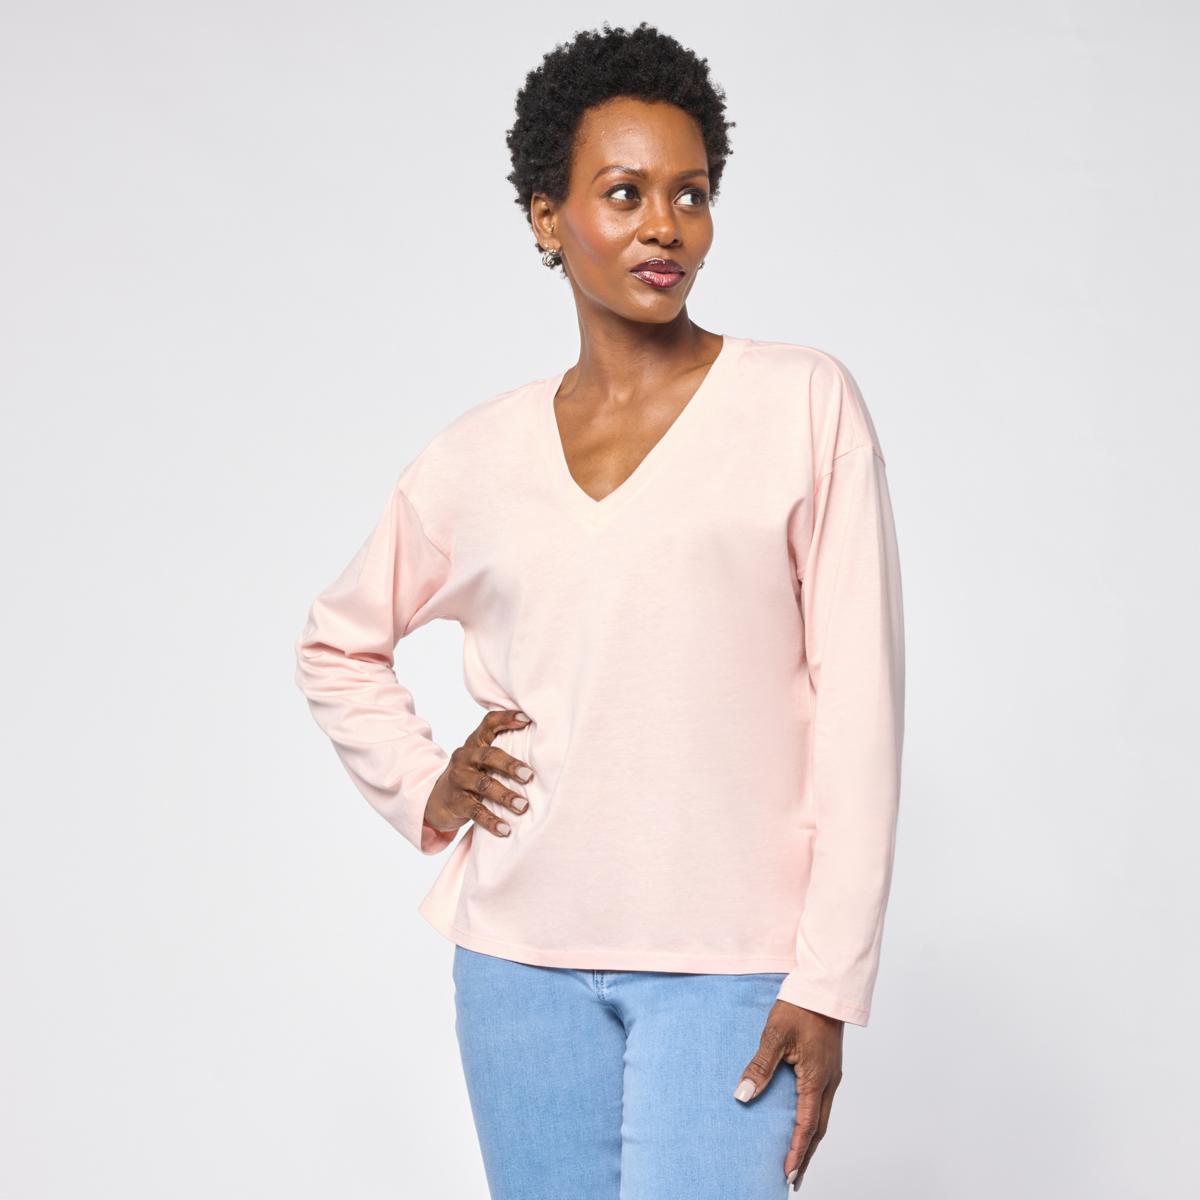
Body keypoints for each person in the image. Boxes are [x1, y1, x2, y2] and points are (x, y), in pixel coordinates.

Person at [293, 20, 905, 1199]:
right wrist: (425, 783)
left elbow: (861, 707)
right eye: (625, 193)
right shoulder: (478, 458)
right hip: (518, 965)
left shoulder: (802, 404)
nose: (665, 225)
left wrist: (828, 979)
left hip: (734, 968)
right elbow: (338, 641)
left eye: (691, 193)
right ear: (547, 217)